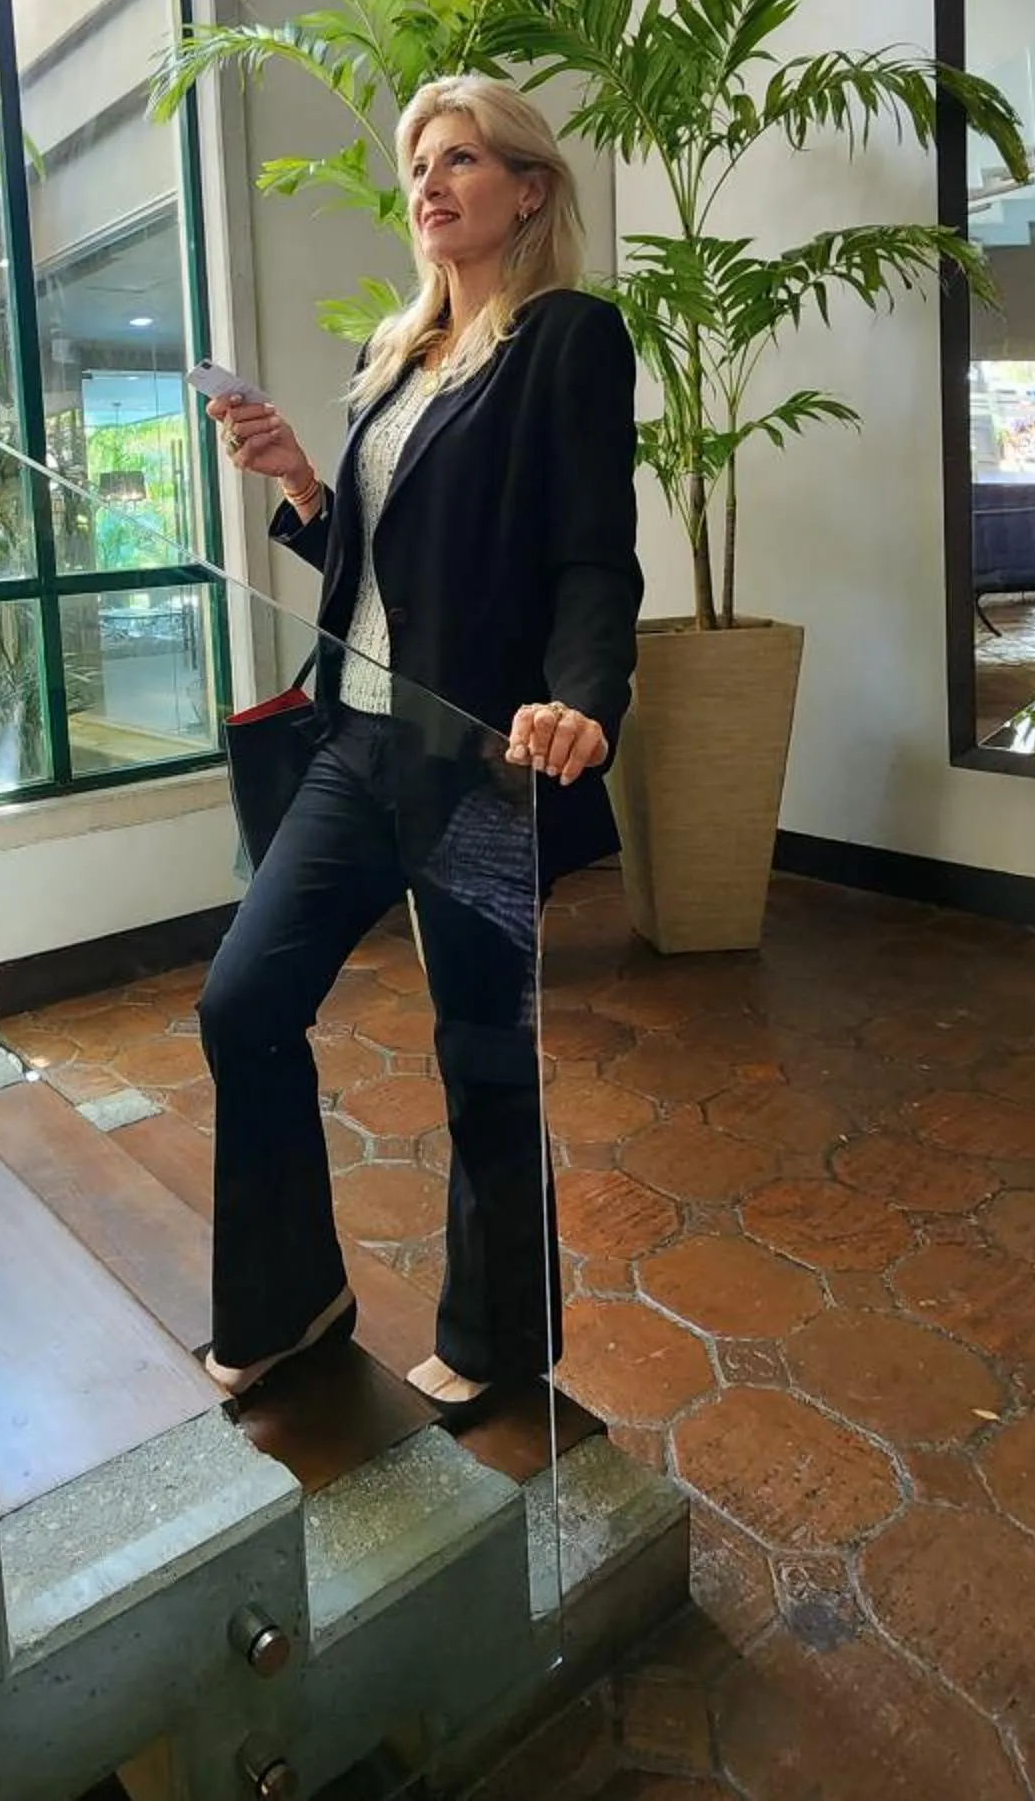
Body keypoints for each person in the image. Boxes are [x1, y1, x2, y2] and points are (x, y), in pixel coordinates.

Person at [195, 75, 643, 1416]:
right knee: (243, 1003)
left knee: (479, 1051)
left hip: (477, 757)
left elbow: (590, 556)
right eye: (417, 165)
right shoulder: (392, 356)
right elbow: (387, 567)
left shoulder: (566, 339)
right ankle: (292, 1296)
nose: (431, 183)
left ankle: (499, 1336)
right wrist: (299, 484)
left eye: (462, 159)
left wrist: (587, 699)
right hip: (358, 744)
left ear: (529, 188)